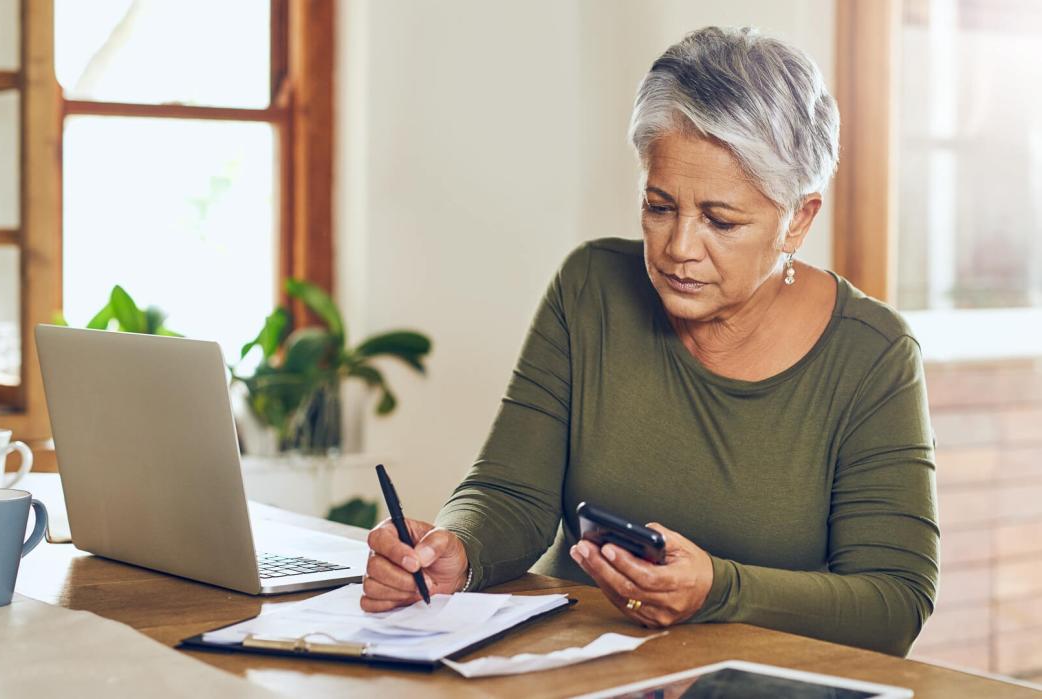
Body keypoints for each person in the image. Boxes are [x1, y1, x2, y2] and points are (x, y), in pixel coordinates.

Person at [359, 26, 938, 657]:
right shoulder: (591, 287)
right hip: (567, 665)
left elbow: (893, 602)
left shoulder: (873, 353)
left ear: (797, 218)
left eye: (720, 220)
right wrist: (458, 551)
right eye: (659, 208)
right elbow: (510, 493)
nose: (679, 249)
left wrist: (719, 588)